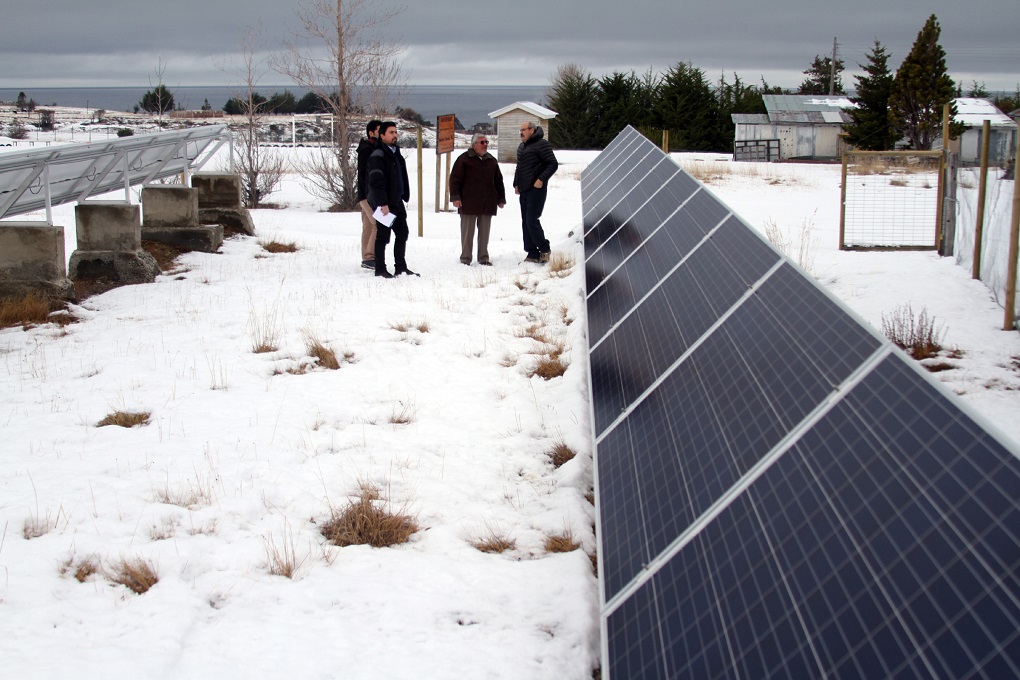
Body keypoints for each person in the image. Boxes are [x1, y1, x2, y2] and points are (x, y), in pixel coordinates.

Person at [367, 121, 417, 278]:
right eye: (391, 132)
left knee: (402, 233)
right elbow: (376, 182)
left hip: (397, 201)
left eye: (396, 132)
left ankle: (400, 267)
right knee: (383, 237)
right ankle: (380, 269)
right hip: (385, 204)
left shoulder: (396, 153)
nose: (395, 135)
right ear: (382, 136)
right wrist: (383, 203)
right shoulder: (378, 155)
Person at [450, 133, 505, 266]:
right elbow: (454, 180)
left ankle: (483, 258)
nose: (485, 145)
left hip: (488, 203)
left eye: (486, 142)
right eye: (482, 142)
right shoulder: (463, 159)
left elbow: (498, 181)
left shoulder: (491, 160)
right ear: (474, 145)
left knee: (485, 233)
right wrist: (455, 197)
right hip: (468, 202)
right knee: (467, 233)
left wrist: (501, 198)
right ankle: (465, 258)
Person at [512, 121, 558, 263]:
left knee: (532, 220)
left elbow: (553, 164)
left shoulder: (542, 144)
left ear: (532, 130)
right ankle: (532, 253)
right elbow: (519, 167)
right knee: (525, 221)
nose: (521, 132)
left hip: (536, 190)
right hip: (524, 189)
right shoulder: (522, 147)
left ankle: (544, 249)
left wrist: (541, 179)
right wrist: (516, 184)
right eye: (520, 130)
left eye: (523, 130)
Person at [356, 120, 382, 270]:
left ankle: (366, 257)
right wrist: (370, 193)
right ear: (371, 133)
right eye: (379, 131)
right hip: (368, 195)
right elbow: (365, 175)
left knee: (367, 225)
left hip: (365, 194)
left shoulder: (371, 148)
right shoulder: (367, 149)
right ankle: (370, 257)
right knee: (378, 223)